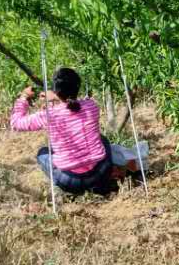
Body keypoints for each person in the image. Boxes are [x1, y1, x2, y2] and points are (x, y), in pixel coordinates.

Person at [9, 67, 117, 196]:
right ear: (77, 87)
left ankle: (69, 191)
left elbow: (16, 123)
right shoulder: (92, 106)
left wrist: (24, 97)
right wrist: (56, 96)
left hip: (70, 181)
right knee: (102, 139)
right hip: (101, 173)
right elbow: (73, 107)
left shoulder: (49, 115)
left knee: (42, 153)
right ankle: (99, 186)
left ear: (56, 90)